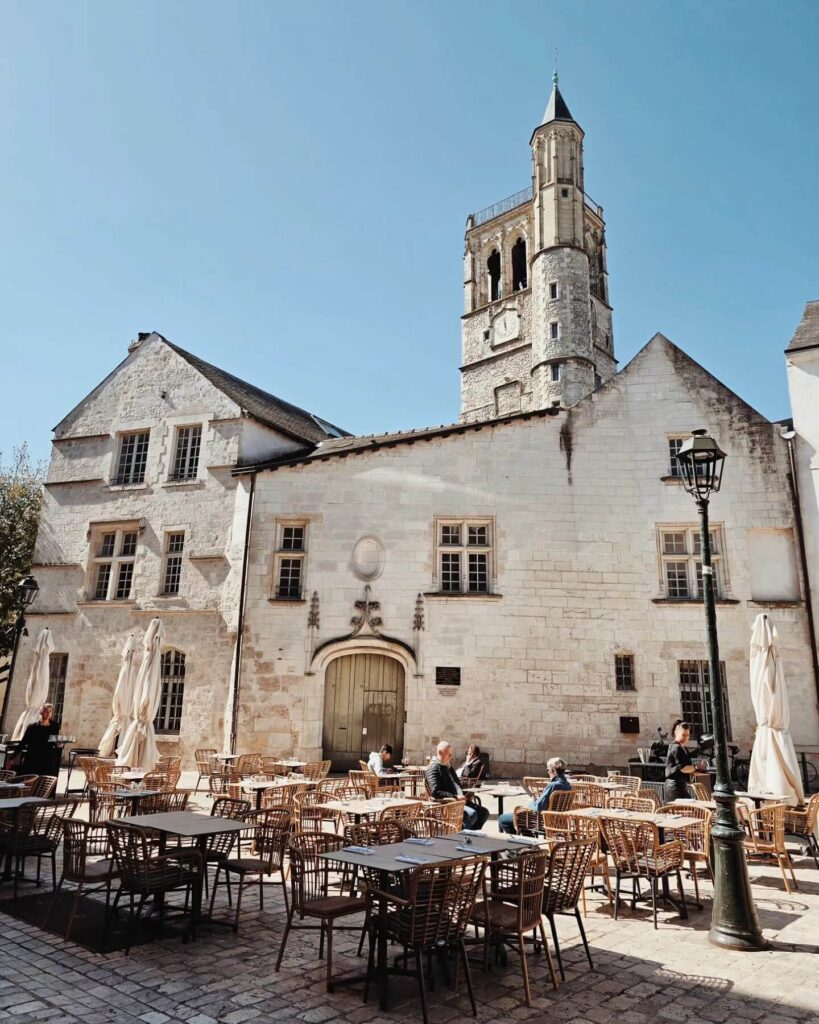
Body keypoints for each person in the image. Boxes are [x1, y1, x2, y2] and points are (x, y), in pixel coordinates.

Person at [425, 740, 490, 830]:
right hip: (448, 804)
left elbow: (457, 784)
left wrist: (467, 793)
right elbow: (435, 792)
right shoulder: (433, 768)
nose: (451, 756)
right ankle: (459, 835)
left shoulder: (448, 767)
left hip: (460, 801)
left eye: (451, 754)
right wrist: (455, 797)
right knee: (472, 814)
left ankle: (471, 836)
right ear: (440, 752)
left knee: (484, 813)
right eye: (449, 754)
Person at [498, 757, 571, 834]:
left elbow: (538, 808)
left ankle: (515, 842)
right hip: (558, 820)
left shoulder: (553, 785)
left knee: (503, 819)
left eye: (548, 770)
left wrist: (532, 801)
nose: (548, 773)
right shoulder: (568, 785)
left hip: (542, 821)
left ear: (554, 771)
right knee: (522, 818)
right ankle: (528, 841)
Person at [18, 703, 61, 777]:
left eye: (50, 711)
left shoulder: (55, 726)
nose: (48, 713)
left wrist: (59, 745)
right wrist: (13, 757)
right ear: (41, 712)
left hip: (47, 758)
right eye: (46, 711)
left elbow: (54, 740)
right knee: (31, 779)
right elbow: (24, 742)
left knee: (44, 781)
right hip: (33, 757)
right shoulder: (32, 727)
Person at [664, 720, 696, 802]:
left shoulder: (682, 747)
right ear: (676, 733)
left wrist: (697, 770)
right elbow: (683, 768)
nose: (685, 738)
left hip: (679, 786)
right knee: (691, 809)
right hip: (674, 787)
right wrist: (696, 768)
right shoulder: (676, 747)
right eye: (683, 735)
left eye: (687, 735)